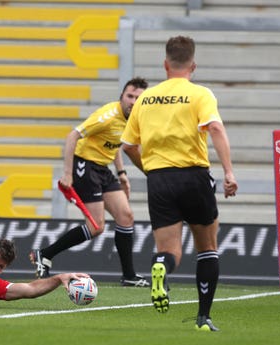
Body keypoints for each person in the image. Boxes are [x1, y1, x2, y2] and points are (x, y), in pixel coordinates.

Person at [121, 36, 238, 332]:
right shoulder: (199, 94)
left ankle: (161, 266)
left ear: (165, 64)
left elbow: (128, 145)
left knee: (169, 250)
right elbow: (214, 128)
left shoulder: (146, 98)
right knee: (207, 247)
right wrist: (228, 172)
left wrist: (149, 170)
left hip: (159, 179)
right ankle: (202, 318)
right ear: (193, 65)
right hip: (193, 175)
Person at [29, 77, 149, 287]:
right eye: (129, 96)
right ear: (121, 96)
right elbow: (72, 136)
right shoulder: (107, 115)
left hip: (102, 168)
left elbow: (114, 143)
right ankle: (45, 254)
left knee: (126, 216)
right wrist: (67, 174)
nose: (132, 101)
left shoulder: (134, 119)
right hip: (84, 166)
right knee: (96, 227)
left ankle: (129, 276)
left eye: (138, 98)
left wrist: (122, 174)